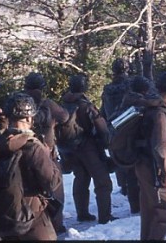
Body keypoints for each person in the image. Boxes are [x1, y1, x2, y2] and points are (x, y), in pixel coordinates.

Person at [0, 92, 62, 240]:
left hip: (7, 215)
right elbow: (52, 182)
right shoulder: (33, 146)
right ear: (30, 117)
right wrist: (50, 159)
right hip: (33, 214)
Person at [128, 72, 166, 241]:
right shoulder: (159, 112)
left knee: (150, 210)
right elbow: (160, 146)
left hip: (142, 162)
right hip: (154, 166)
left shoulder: (148, 106)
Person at [60, 74, 115, 224]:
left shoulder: (63, 104)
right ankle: (105, 216)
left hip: (71, 149)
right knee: (102, 181)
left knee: (81, 179)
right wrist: (106, 143)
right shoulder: (86, 106)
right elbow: (101, 128)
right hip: (89, 147)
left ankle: (82, 213)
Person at [24, 72, 69, 234]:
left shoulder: (19, 103)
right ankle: (56, 225)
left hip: (24, 154)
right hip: (47, 155)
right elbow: (64, 117)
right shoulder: (47, 104)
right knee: (55, 190)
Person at [101, 58, 136, 208]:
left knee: (118, 157)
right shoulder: (131, 85)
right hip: (130, 126)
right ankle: (134, 195)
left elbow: (103, 110)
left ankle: (123, 186)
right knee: (133, 163)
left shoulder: (107, 89)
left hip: (112, 127)